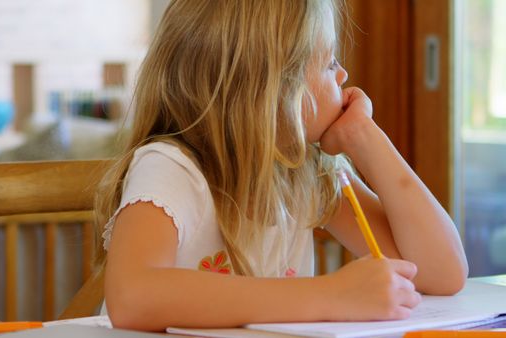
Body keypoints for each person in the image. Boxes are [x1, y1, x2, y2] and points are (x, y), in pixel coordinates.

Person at [93, 0, 468, 331]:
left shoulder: (304, 171)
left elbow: (442, 274)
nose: (344, 77)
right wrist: (330, 295)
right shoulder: (172, 168)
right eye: (330, 63)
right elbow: (133, 297)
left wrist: (367, 139)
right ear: (269, 88)